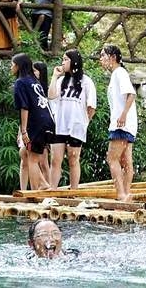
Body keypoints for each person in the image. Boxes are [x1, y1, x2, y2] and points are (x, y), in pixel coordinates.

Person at [48, 49, 97, 189]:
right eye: (62, 59)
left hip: (76, 126)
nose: (62, 63)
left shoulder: (86, 81)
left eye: (65, 60)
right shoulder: (61, 80)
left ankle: (74, 191)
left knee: (73, 159)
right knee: (55, 160)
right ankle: (53, 190)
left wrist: (84, 123)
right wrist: (54, 76)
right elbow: (51, 96)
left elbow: (91, 106)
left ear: (74, 61)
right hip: (59, 124)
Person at [99, 45, 137, 201]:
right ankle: (126, 194)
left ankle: (121, 194)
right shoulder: (119, 74)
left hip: (122, 123)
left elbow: (131, 94)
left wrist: (122, 115)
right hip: (128, 123)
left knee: (112, 158)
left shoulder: (119, 73)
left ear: (112, 57)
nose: (100, 59)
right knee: (126, 161)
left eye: (103, 56)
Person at [12, 53, 54, 191]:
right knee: (25, 153)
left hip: (36, 124)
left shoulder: (20, 82)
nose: (11, 67)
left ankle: (36, 191)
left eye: (13, 64)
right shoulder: (35, 81)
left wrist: (24, 131)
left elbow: (24, 107)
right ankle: (43, 184)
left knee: (33, 159)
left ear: (18, 66)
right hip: (48, 122)